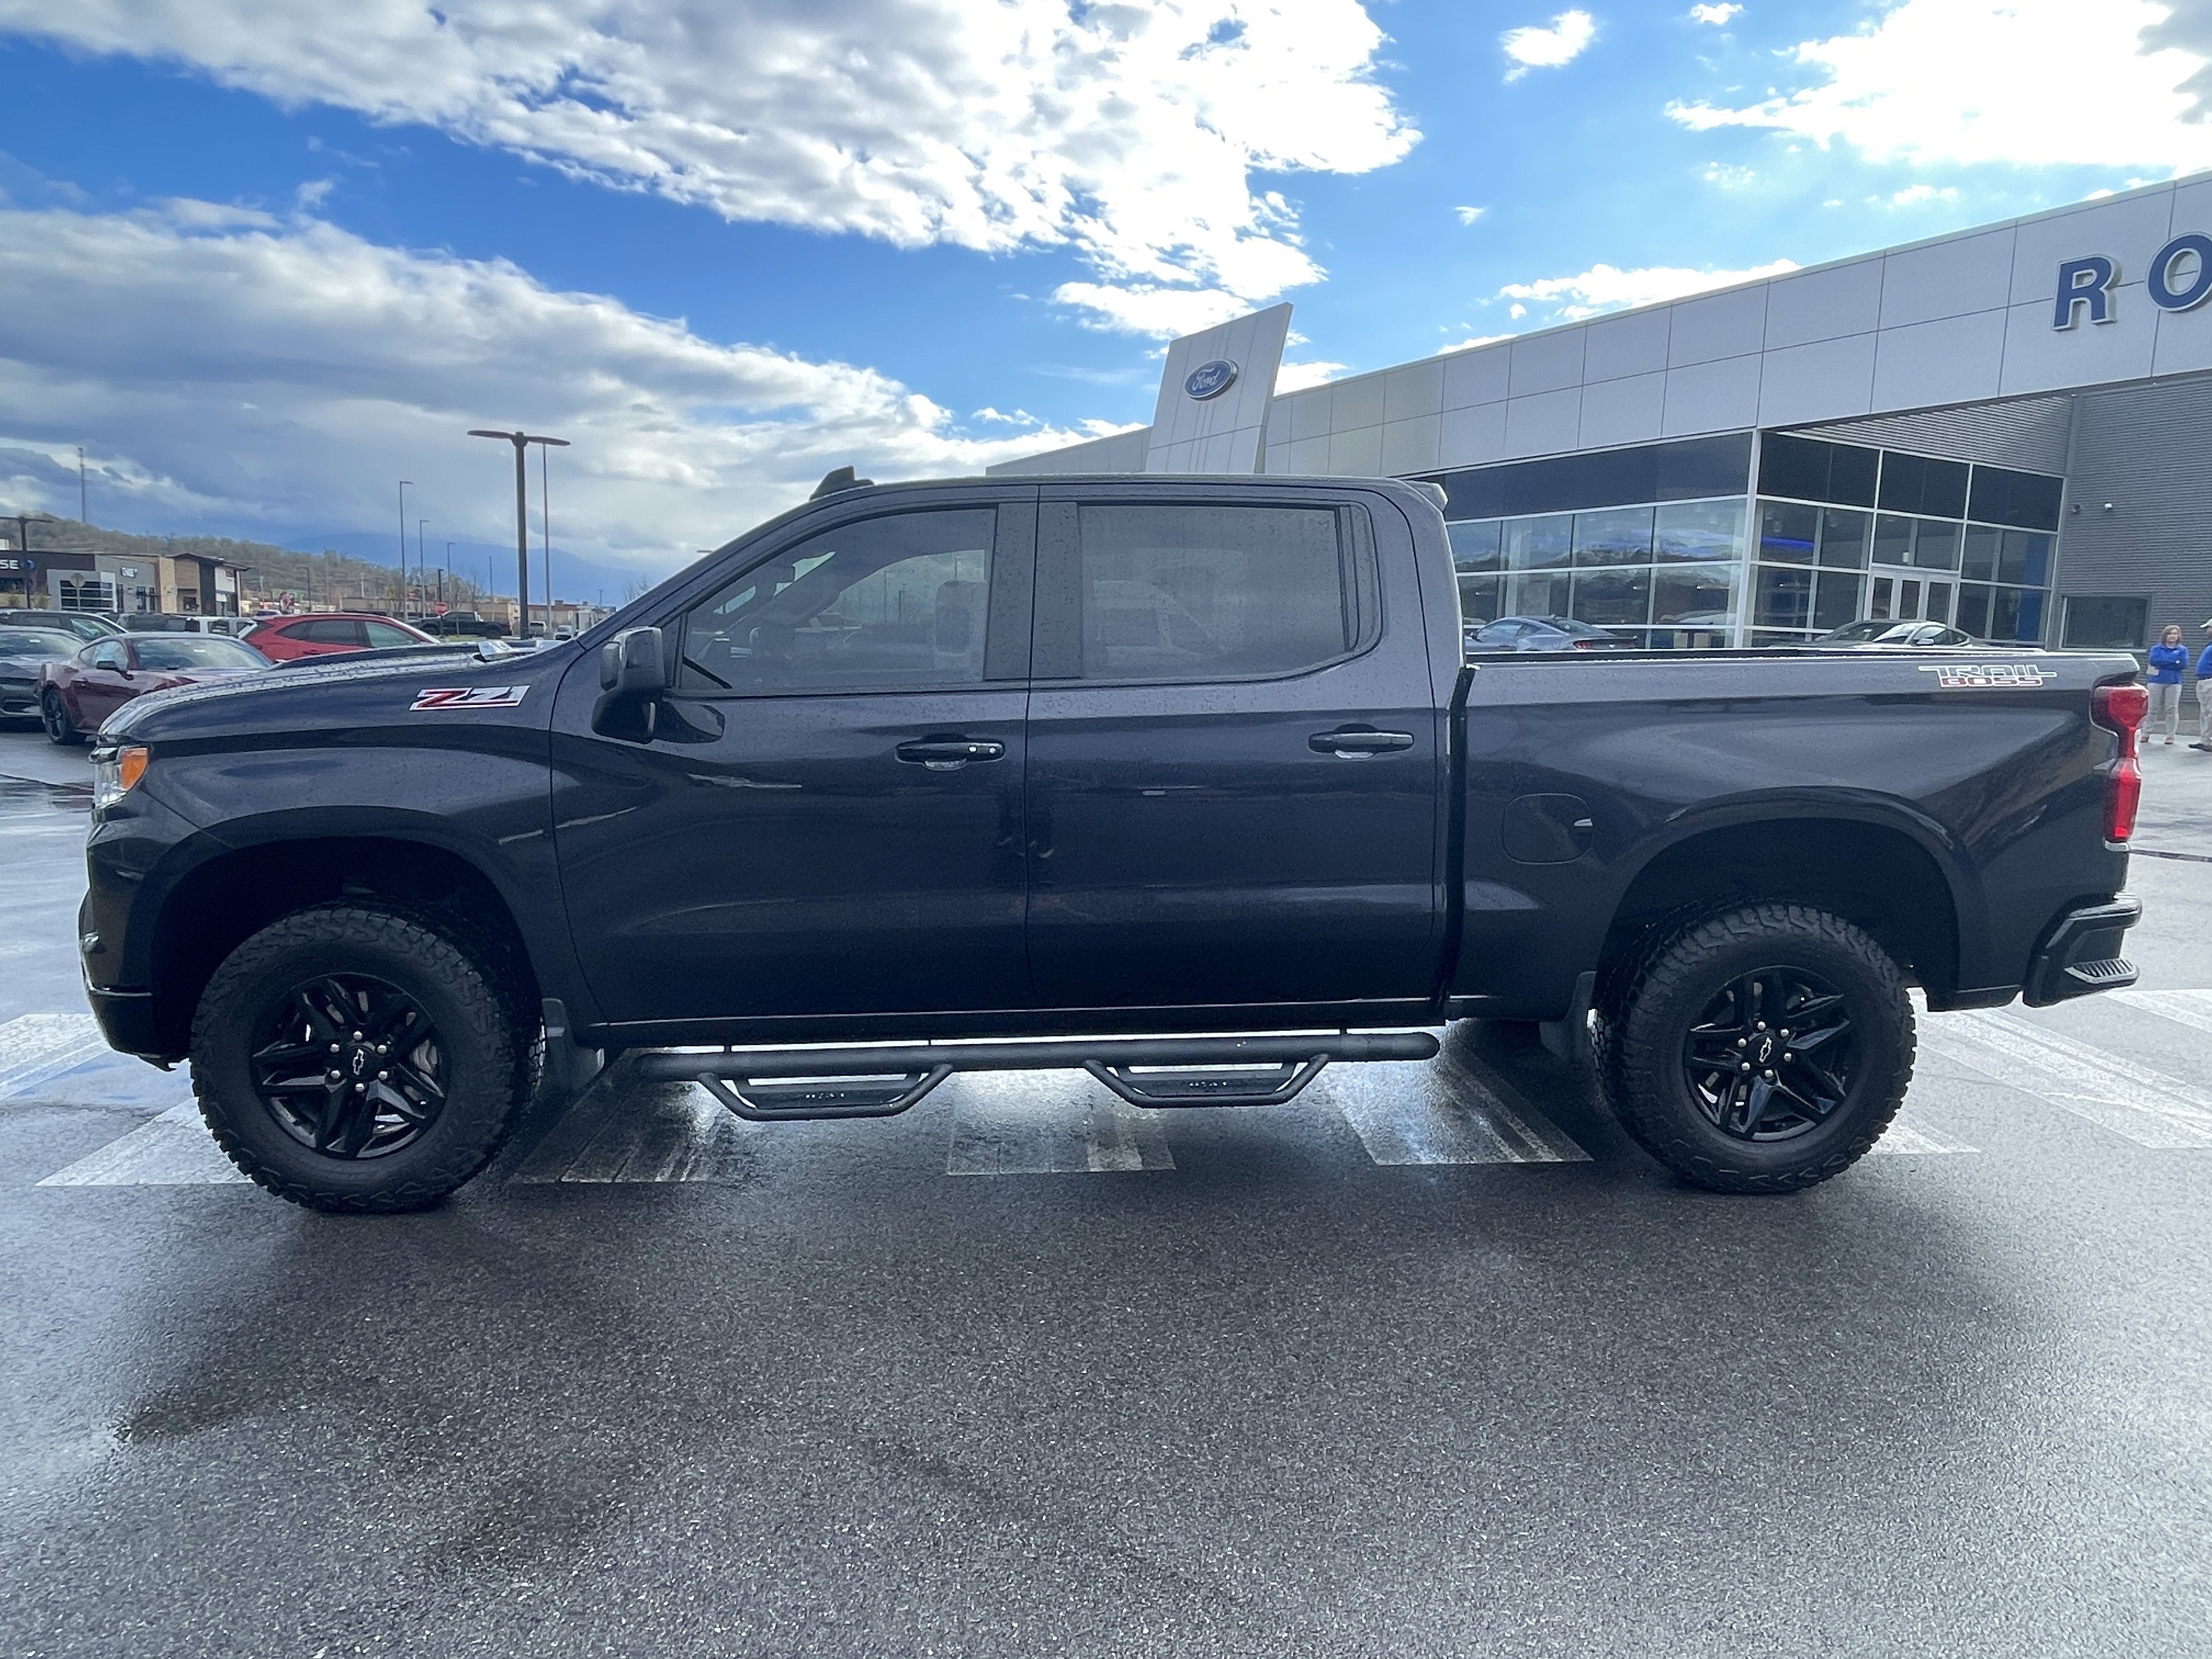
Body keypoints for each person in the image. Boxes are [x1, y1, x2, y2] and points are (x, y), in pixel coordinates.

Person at [2148, 624, 2187, 744]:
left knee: (2171, 709)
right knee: (2152, 708)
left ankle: (2171, 735)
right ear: (2165, 635)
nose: (2172, 636)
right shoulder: (2156, 649)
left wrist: (2164, 663)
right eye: (2170, 633)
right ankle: (2146, 733)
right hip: (2155, 681)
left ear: (2179, 636)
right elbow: (2154, 661)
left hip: (2174, 682)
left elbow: (2183, 664)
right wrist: (2174, 661)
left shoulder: (2182, 650)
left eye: (2175, 634)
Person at [2193, 620, 2212, 753]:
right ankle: (2205, 740)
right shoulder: (2210, 646)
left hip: (2210, 680)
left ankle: (2209, 740)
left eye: (2209, 628)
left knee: (2210, 711)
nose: (2207, 631)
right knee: (2205, 712)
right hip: (2204, 681)